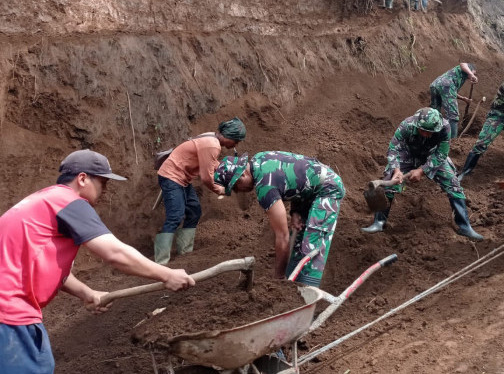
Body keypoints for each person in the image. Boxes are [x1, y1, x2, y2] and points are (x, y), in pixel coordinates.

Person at [0, 150, 195, 373]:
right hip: (10, 315)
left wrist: (87, 293)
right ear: (82, 179)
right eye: (102, 182)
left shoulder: (41, 202)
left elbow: (44, 267)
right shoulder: (68, 202)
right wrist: (166, 274)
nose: (105, 190)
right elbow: (114, 253)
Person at [215, 151, 344, 287]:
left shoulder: (265, 188)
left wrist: (278, 278)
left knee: (313, 245)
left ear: (242, 175)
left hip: (328, 188)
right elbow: (295, 176)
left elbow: (282, 236)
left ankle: (307, 293)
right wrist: (296, 211)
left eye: (235, 187)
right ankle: (292, 286)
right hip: (312, 189)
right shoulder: (259, 158)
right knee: (299, 242)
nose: (238, 191)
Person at [360, 108, 483, 241]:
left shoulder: (445, 127)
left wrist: (421, 170)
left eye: (430, 132)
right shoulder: (407, 125)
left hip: (432, 155)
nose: (426, 135)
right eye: (423, 131)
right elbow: (393, 149)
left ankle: (465, 226)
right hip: (408, 153)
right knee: (389, 183)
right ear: (417, 125)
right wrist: (396, 170)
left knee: (453, 183)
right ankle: (379, 223)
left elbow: (441, 154)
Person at [155, 118, 246, 264]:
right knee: (175, 216)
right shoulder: (212, 145)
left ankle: (184, 252)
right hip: (172, 176)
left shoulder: (211, 138)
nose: (236, 145)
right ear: (229, 136)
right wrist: (219, 190)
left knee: (194, 211)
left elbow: (209, 162)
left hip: (182, 178)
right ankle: (161, 260)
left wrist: (224, 169)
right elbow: (206, 178)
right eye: (236, 140)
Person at [429, 62, 478, 139]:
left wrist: (463, 98)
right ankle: (452, 141)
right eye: (474, 73)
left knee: (434, 112)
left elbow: (450, 93)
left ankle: (430, 135)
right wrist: (471, 74)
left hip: (435, 85)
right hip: (445, 85)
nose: (474, 75)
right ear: (471, 69)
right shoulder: (464, 68)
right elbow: (463, 64)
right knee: (453, 115)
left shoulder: (461, 77)